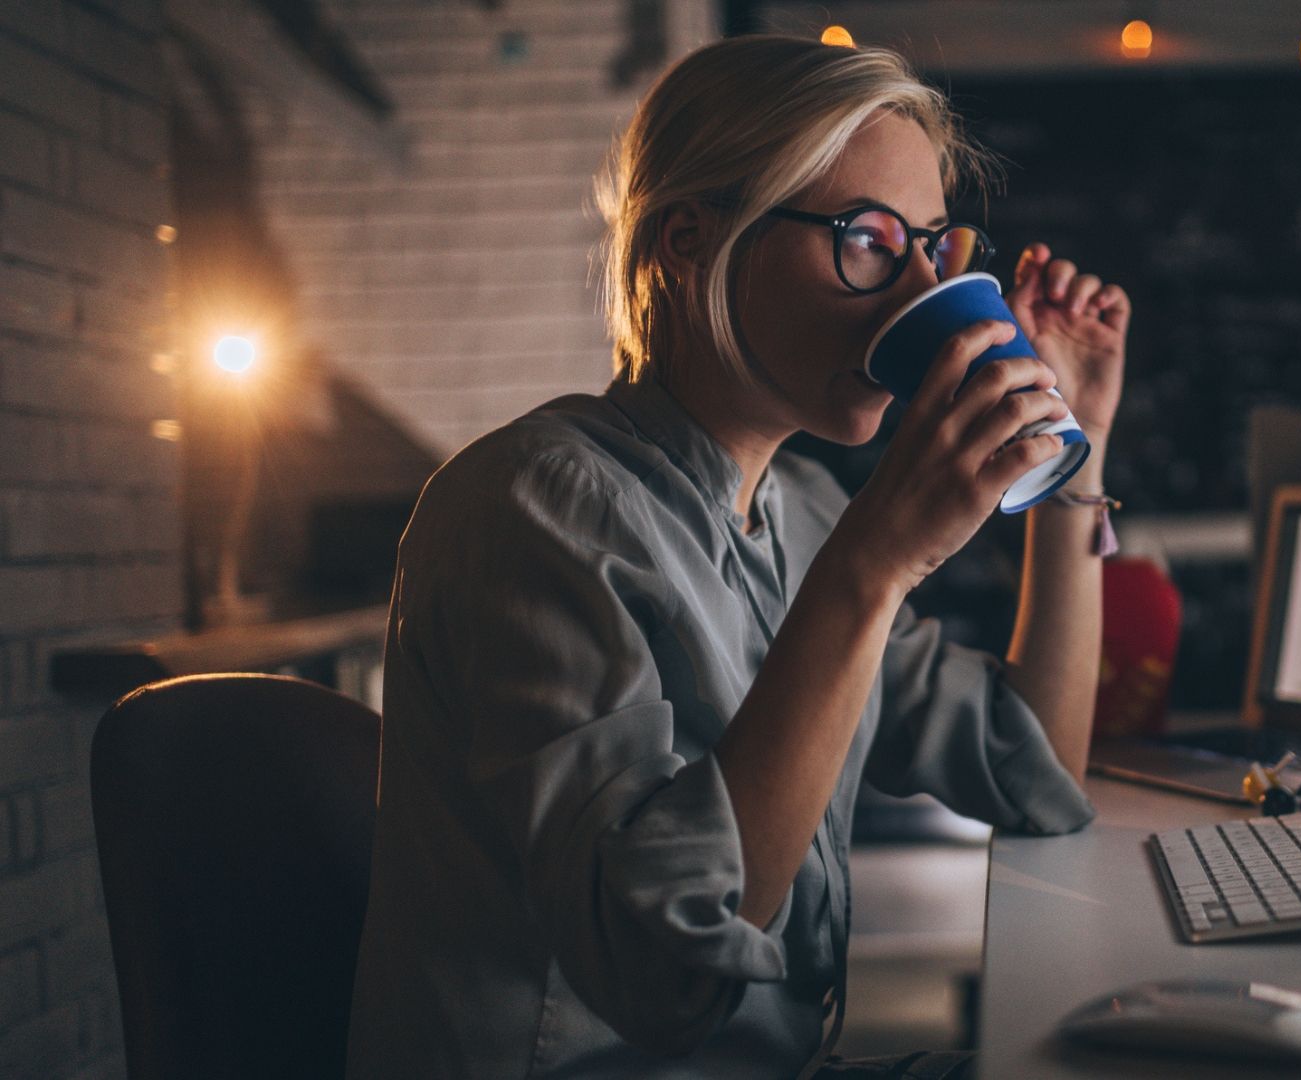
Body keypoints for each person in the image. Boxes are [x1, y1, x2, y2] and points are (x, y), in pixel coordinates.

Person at [344, 33, 1131, 1080]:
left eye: (936, 249)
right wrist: (875, 565)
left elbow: (1032, 767)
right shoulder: (531, 507)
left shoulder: (800, 512)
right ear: (691, 242)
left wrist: (1072, 448)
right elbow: (662, 974)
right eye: (867, 240)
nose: (917, 296)